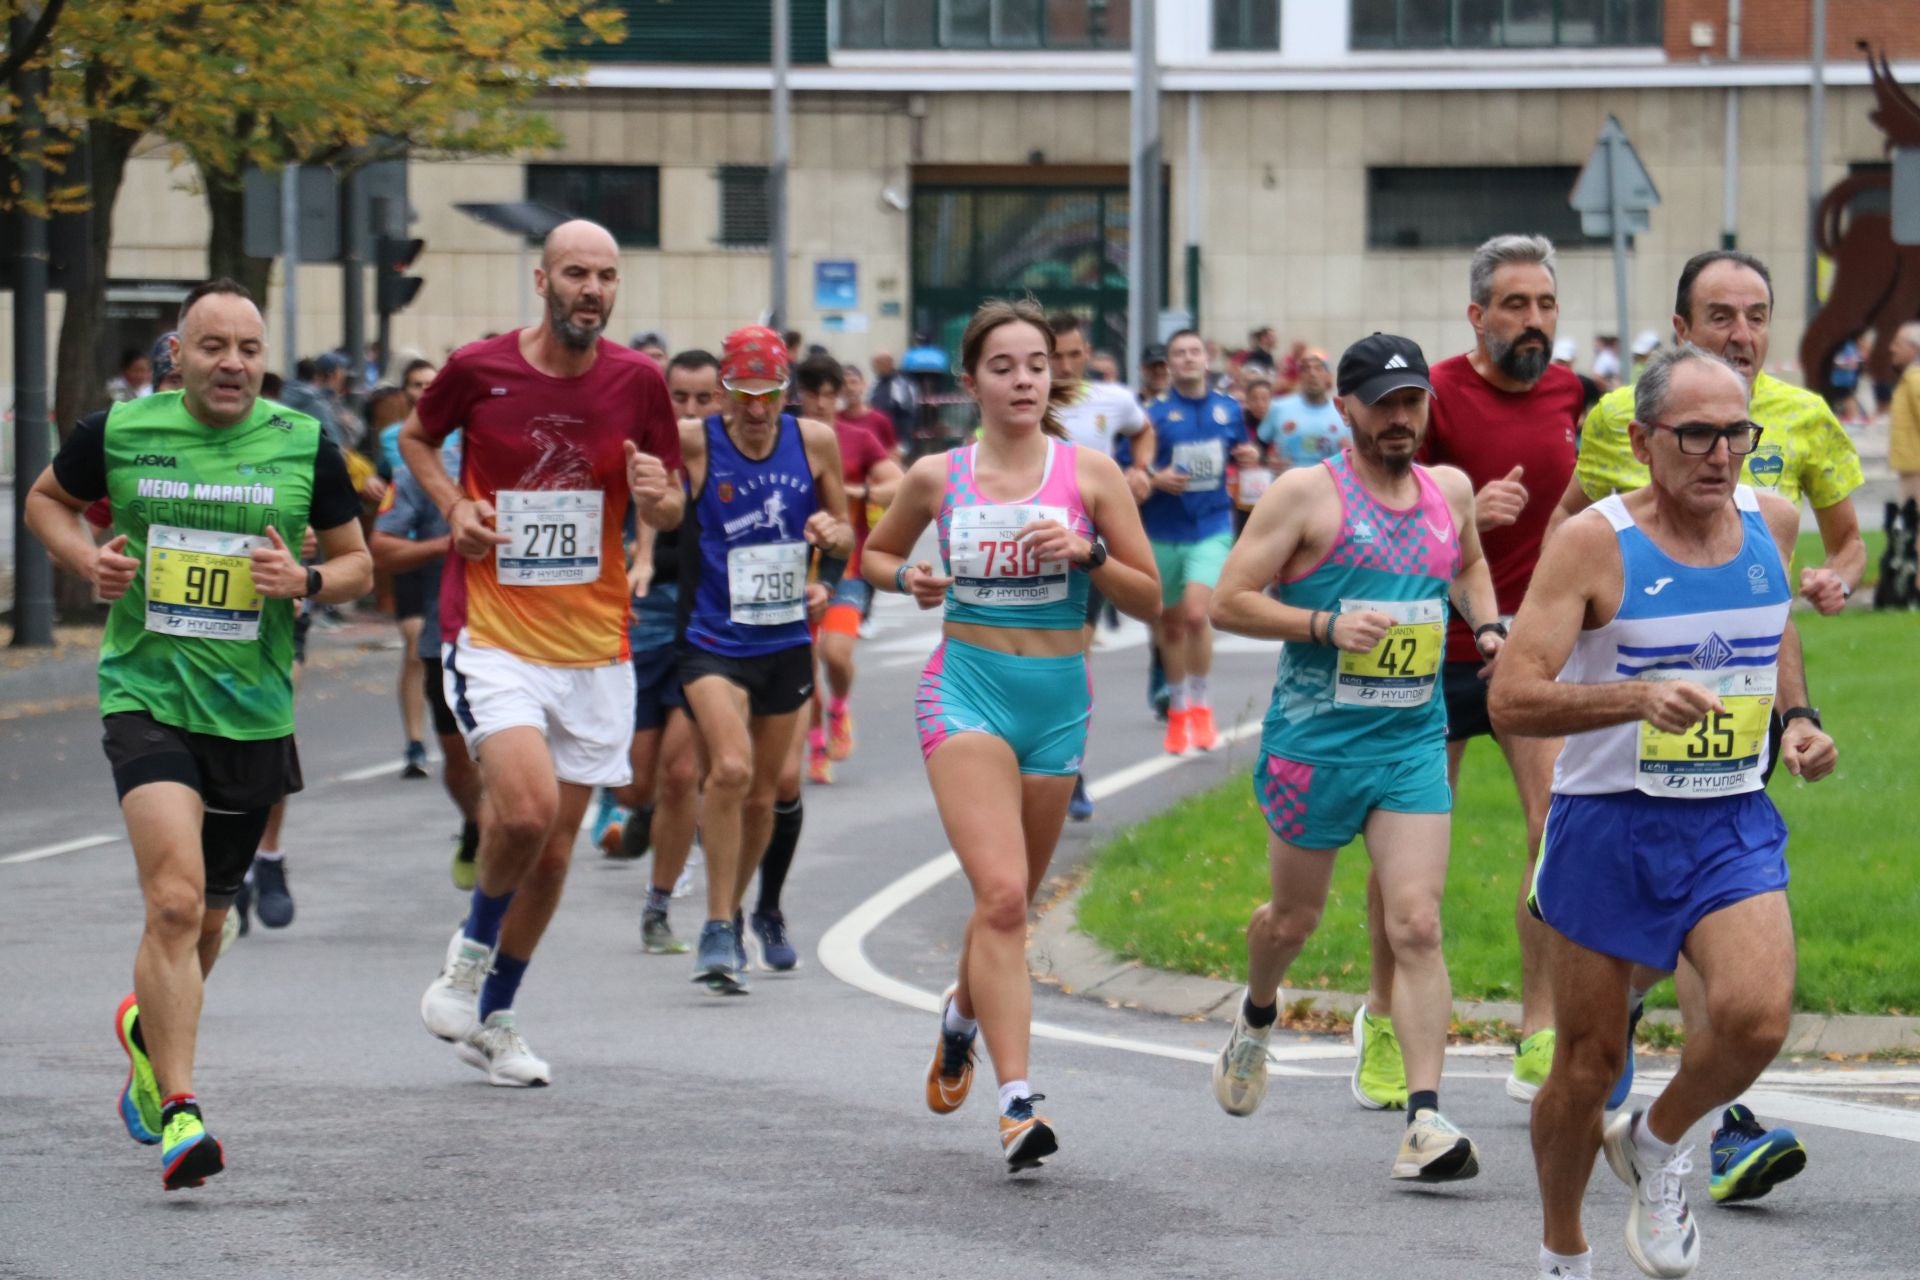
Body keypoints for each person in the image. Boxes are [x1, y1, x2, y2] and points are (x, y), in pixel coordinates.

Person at [1491, 344, 1838, 1280]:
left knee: (1758, 1019)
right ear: (1644, 441)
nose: (1720, 456)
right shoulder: (1594, 544)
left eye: (1736, 434)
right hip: (1608, 824)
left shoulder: (1772, 519)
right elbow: (1512, 696)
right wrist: (1634, 698)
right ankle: (1563, 1245)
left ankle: (1655, 1140)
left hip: (1728, 817)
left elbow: (1772, 625)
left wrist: (1799, 721)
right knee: (1586, 1062)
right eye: (1696, 435)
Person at [24, 278, 370, 1189]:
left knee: (209, 920)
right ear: (179, 354)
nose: (234, 364)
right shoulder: (119, 433)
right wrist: (84, 558)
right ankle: (182, 1112)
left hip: (252, 711)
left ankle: (146, 1027)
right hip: (147, 690)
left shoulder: (305, 444)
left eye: (250, 349)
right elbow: (46, 502)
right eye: (214, 346)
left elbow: (357, 562)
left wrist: (304, 583)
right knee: (173, 904)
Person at [1548, 247, 1865, 1204]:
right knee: (1601, 1025)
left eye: (1757, 313)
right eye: (1720, 315)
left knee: (1743, 974)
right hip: (1614, 750)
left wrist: (1822, 625)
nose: (1743, 332)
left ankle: (1697, 1128)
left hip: (1729, 745)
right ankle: (1618, 1044)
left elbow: (1818, 558)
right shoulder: (1617, 418)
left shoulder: (1800, 423)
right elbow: (1576, 527)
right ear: (1680, 329)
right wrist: (1573, 643)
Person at [862, 297, 1160, 1171]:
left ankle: (960, 1018)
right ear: (971, 383)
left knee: (1012, 901)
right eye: (1003, 366)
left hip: (1057, 704)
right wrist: (909, 576)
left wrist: (1091, 557)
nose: (1024, 379)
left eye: (1036, 364)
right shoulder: (936, 475)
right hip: (965, 692)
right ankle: (1018, 1103)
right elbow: (877, 558)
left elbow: (1158, 598)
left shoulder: (1091, 475)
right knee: (999, 897)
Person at [1207, 332, 1500, 1187]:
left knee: (1417, 922)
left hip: (1409, 740)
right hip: (1314, 748)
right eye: (1383, 404)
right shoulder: (1306, 495)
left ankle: (1425, 1120)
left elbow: (1470, 563)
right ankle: (1258, 1013)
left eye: (1413, 401)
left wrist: (1484, 625)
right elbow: (1229, 600)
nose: (1401, 418)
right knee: (1292, 924)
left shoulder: (1450, 490)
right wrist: (1324, 625)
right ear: (1346, 410)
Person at [406, 219, 684, 1087]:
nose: (591, 289)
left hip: (594, 640)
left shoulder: (640, 382)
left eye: (606, 275)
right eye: (575, 273)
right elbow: (418, 440)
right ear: (542, 280)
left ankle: (496, 1018)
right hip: (492, 630)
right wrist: (455, 506)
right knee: (522, 815)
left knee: (557, 850)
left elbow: (668, 504)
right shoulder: (480, 370)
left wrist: (658, 499)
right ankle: (467, 957)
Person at [1357, 235, 1588, 1111]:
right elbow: (1377, 520)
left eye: (1546, 305)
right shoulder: (1433, 397)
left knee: (1554, 834)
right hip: (1429, 657)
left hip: (1537, 655)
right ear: (1477, 315)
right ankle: (1383, 1017)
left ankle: (1539, 1028)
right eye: (1516, 306)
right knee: (1409, 863)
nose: (1534, 322)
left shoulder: (1578, 397)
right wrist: (1470, 522)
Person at [675, 325, 852, 994]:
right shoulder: (696, 440)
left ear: (786, 391)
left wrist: (827, 568)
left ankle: (741, 908)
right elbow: (660, 512)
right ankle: (718, 925)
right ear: (723, 390)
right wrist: (654, 510)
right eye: (743, 395)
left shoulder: (815, 441)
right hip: (712, 637)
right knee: (729, 768)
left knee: (767, 794)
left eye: (769, 395)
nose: (755, 411)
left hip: (784, 640)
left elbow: (840, 533)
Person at [1047, 310, 1154, 817]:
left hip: (1085, 550)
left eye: (1074, 355)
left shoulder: (1113, 399)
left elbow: (1143, 430)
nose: (1065, 366)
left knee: (1074, 662)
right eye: (1055, 357)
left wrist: (1139, 468)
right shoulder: (1026, 401)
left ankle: (1069, 769)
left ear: (1087, 354)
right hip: (1027, 550)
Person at [371, 437, 484, 889]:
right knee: (459, 761)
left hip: (526, 642)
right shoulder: (427, 470)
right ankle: (476, 823)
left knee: (511, 766)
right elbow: (381, 549)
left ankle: (502, 862)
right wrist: (446, 545)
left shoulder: (543, 458)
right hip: (450, 638)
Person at [1141, 329, 1259, 755]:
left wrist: (1248, 458)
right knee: (1170, 624)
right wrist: (1156, 478)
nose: (1188, 359)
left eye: (1194, 351)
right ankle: (1177, 710)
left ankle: (1202, 704)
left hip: (1211, 526)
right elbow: (1129, 472)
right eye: (1179, 353)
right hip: (1162, 529)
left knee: (1196, 614)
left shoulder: (1228, 409)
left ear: (1206, 361)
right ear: (1169, 365)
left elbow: (1243, 454)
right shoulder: (1152, 415)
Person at [795, 356, 904, 784]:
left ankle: (840, 707)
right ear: (798, 394)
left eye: (829, 394)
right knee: (802, 670)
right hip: (793, 573)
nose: (821, 403)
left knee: (835, 655)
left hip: (847, 569)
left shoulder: (857, 438)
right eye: (812, 394)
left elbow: (899, 482)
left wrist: (861, 490)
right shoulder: (782, 437)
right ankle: (816, 745)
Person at [1259, 349, 1346, 471]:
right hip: (1288, 484)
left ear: (1328, 376)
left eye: (1318, 368)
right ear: (1299, 376)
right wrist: (1266, 460)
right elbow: (1258, 445)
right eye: (1306, 369)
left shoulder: (1343, 412)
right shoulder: (1279, 407)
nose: (1312, 374)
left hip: (1330, 486)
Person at [1886, 320, 1920, 504]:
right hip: (1911, 467)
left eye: (1898, 344)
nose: (1892, 348)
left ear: (1914, 348)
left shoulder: (1915, 378)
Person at [867, 350, 919, 452]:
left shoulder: (902, 384)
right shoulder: (875, 384)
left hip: (899, 440)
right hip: (878, 439)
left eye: (877, 364)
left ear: (888, 363)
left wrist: (903, 442)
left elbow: (909, 412)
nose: (875, 368)